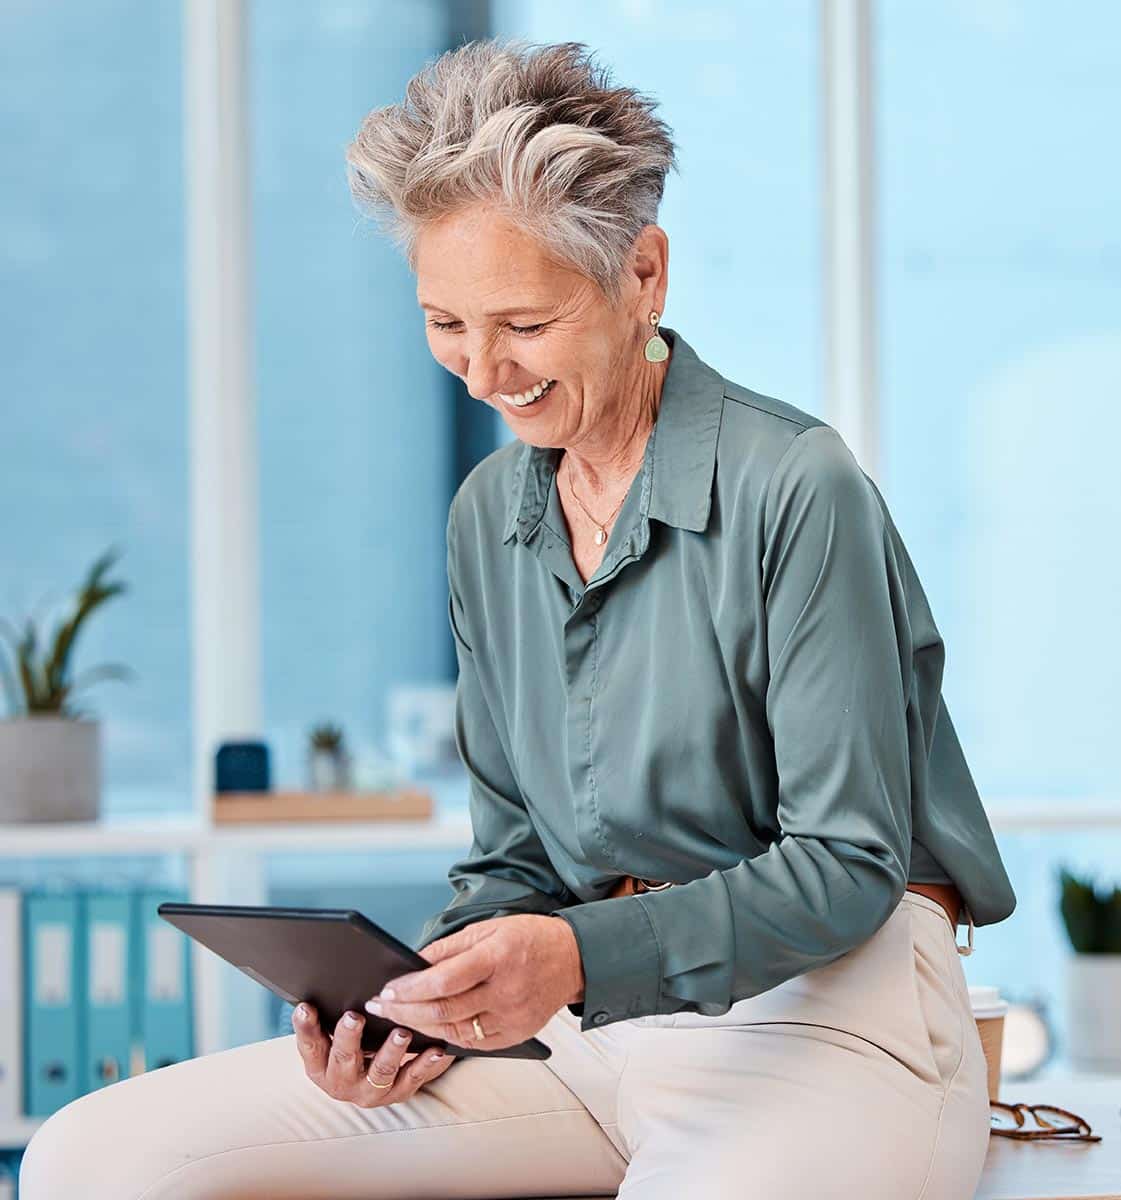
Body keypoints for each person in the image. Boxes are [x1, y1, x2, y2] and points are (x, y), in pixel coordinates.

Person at [20, 36, 1017, 1200]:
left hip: (828, 1022)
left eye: (524, 323)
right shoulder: (489, 513)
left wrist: (574, 956)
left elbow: (847, 862)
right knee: (92, 1158)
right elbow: (514, 858)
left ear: (641, 274)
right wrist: (420, 1007)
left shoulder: (794, 485)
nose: (483, 369)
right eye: (445, 322)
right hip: (583, 1028)